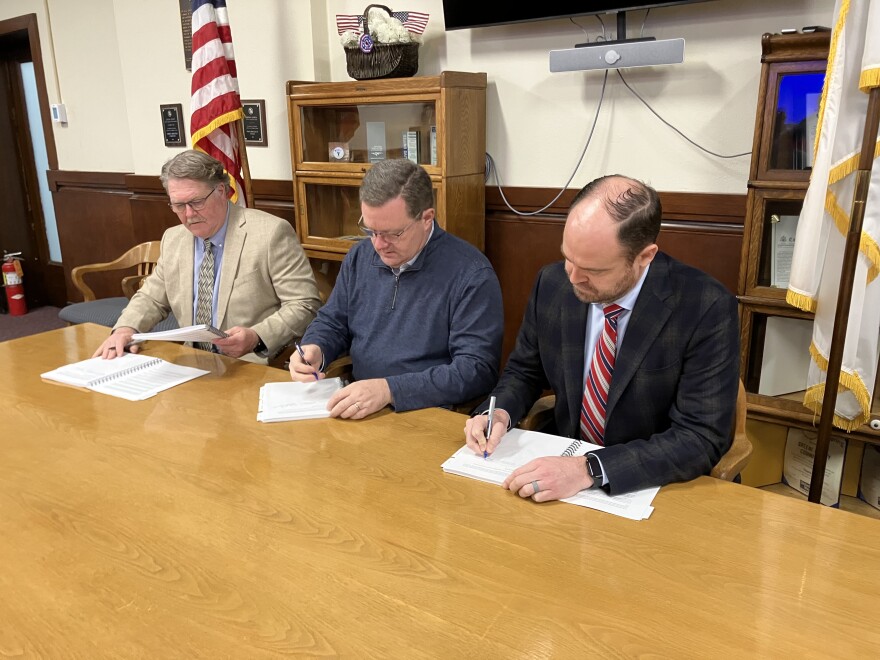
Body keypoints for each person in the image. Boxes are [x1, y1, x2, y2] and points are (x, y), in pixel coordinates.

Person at [463, 174, 740, 499]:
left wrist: (589, 468)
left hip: (656, 486)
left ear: (645, 257)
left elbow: (699, 437)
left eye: (594, 270)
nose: (574, 277)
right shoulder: (552, 284)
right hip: (562, 468)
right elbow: (525, 372)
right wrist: (499, 412)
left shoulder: (704, 306)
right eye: (568, 256)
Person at [289, 158, 504, 418]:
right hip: (360, 406)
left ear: (427, 218)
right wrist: (316, 348)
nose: (379, 244)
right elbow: (334, 321)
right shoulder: (360, 256)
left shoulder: (471, 274)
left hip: (428, 413)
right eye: (370, 230)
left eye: (393, 233)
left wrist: (390, 390)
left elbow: (476, 369)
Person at [93, 150, 322, 363]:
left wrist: (256, 336)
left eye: (196, 202)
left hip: (250, 362)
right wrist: (125, 329)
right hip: (192, 361)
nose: (189, 214)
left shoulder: (270, 233)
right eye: (179, 205)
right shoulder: (173, 239)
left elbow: (304, 304)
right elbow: (151, 298)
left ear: (221, 192)